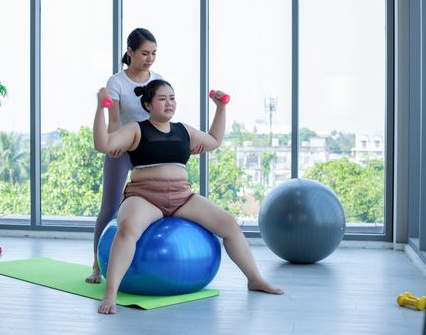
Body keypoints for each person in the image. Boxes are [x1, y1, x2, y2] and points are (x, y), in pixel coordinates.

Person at [93, 79, 284, 315]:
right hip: (144, 196)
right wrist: (100, 108)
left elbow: (214, 141)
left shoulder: (184, 130)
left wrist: (221, 108)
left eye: (172, 98)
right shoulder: (136, 129)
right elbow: (104, 144)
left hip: (182, 196)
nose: (169, 103)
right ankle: (110, 293)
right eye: (162, 99)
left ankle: (254, 279)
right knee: (127, 228)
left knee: (229, 224)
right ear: (148, 104)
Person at [85, 28, 163, 284]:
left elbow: (161, 117)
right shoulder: (116, 82)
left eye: (153, 53)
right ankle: (97, 266)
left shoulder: (158, 79)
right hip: (123, 148)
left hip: (149, 149)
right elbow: (114, 121)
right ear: (130, 52)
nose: (149, 58)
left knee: (155, 205)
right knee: (110, 207)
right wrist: (114, 143)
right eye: (144, 53)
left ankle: (147, 262)